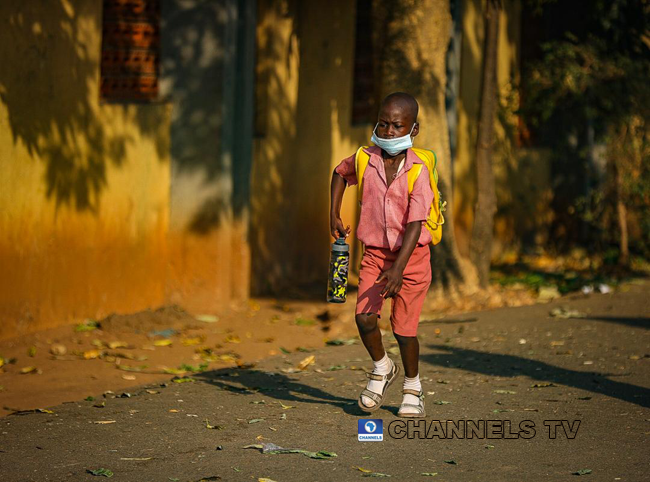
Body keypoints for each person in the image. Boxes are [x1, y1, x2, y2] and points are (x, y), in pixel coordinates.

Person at [329, 92, 434, 417]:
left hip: (411, 261)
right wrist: (333, 212)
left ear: (413, 130)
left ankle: (412, 387)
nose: (388, 131)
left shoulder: (419, 170)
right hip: (375, 255)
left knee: (404, 331)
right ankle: (382, 368)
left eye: (397, 125)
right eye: (383, 123)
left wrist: (399, 270)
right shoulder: (364, 158)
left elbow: (416, 223)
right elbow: (340, 173)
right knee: (363, 318)